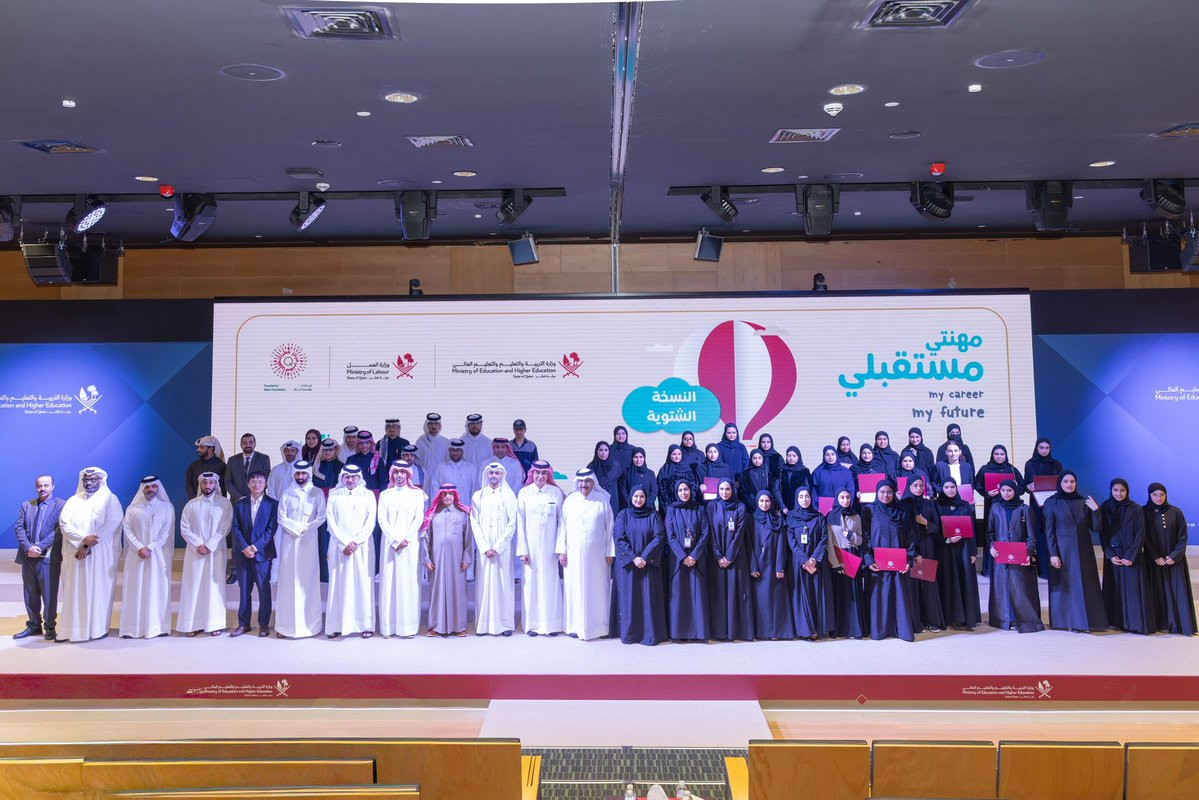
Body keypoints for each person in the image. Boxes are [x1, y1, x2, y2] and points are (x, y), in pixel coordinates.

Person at [57, 467, 123, 642]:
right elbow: (64, 524)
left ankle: (97, 629)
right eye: (85, 480)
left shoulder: (110, 499)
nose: (88, 483)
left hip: (99, 553)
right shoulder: (73, 500)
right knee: (75, 589)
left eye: (92, 479)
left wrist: (87, 544)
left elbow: (113, 523)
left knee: (98, 589)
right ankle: (73, 630)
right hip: (75, 552)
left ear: (100, 480)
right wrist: (82, 541)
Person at [1044, 471, 1108, 633]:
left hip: (1084, 550)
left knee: (1086, 585)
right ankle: (1068, 621)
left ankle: (1088, 621)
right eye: (1066, 481)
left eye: (1072, 481)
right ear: (1060, 483)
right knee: (1067, 586)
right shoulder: (1052, 502)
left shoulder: (1084, 502)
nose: (1069, 484)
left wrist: (1096, 510)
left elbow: (1096, 528)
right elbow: (1049, 531)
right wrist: (1053, 554)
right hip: (1063, 551)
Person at [556, 469, 615, 640]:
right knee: (575, 589)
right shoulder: (569, 501)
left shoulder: (603, 500)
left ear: (593, 482)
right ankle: (575, 626)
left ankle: (600, 628)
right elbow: (562, 527)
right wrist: (561, 551)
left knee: (598, 590)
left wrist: (610, 552)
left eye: (587, 481)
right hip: (573, 555)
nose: (584, 485)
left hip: (598, 556)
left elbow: (610, 528)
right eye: (581, 482)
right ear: (576, 483)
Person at [117, 476, 174, 639]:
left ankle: (157, 627)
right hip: (136, 556)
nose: (150, 490)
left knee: (157, 589)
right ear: (142, 489)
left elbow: (166, 531)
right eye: (147, 487)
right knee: (135, 588)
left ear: (158, 488)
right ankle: (132, 628)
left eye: (153, 487)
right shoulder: (133, 508)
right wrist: (139, 547)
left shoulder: (167, 507)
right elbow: (127, 529)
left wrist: (150, 547)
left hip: (158, 555)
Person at [275, 460, 326, 639]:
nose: (300, 476)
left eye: (304, 473)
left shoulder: (317, 493)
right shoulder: (287, 493)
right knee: (288, 583)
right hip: (289, 542)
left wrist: (306, 528)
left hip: (309, 542)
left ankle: (310, 626)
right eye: (297, 473)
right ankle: (285, 627)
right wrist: (296, 529)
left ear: (309, 474)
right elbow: (281, 517)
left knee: (308, 582)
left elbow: (321, 516)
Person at [325, 464, 377, 638]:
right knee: (338, 585)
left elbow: (370, 522)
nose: (350, 480)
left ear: (359, 478)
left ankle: (365, 625)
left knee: (363, 585)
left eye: (354, 477)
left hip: (362, 547)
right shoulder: (334, 495)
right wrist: (345, 543)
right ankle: (336, 625)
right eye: (347, 477)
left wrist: (355, 542)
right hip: (339, 547)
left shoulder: (368, 495)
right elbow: (331, 522)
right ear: (342, 478)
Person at [177, 472, 232, 636]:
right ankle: (192, 625)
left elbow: (225, 527)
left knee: (214, 587)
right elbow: (184, 528)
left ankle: (214, 624)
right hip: (194, 553)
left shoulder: (225, 504)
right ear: (200, 485)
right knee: (194, 586)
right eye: (204, 483)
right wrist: (198, 545)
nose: (207, 486)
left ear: (216, 484)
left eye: (211, 483)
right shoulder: (191, 505)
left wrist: (209, 545)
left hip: (216, 552)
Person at [986, 479, 1044, 633]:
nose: (1006, 493)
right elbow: (990, 532)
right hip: (1000, 556)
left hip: (1020, 556)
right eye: (1003, 490)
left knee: (1020, 588)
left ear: (1015, 491)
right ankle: (1004, 619)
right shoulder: (995, 508)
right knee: (1002, 587)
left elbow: (1032, 536)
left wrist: (1028, 553)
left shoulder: (1025, 509)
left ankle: (1023, 620)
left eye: (1009, 490)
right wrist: (991, 547)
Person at [862, 480, 916, 642]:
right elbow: (865, 537)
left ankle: (901, 630)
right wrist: (869, 559)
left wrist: (908, 560)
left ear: (894, 493)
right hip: (877, 565)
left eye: (889, 492)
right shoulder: (869, 510)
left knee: (899, 595)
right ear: (877, 493)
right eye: (882, 492)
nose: (885, 495)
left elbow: (910, 539)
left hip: (898, 564)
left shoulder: (902, 513)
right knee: (880, 596)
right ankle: (879, 630)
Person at [13, 474, 65, 641]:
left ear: (53, 486)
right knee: (30, 593)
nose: (42, 488)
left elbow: (59, 530)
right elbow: (19, 528)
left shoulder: (61, 505)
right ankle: (34, 626)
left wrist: (40, 547)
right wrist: (29, 547)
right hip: (28, 556)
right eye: (39, 485)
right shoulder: (27, 505)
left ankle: (50, 627)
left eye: (46, 485)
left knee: (49, 594)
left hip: (48, 558)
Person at [614, 485, 668, 645]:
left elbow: (659, 536)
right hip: (629, 566)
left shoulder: (653, 515)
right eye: (636, 496)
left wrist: (645, 557)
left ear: (646, 498)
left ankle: (649, 634)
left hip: (648, 564)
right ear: (631, 497)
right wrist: (633, 558)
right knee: (630, 599)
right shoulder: (623, 515)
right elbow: (619, 538)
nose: (638, 499)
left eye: (642, 497)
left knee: (648, 598)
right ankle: (631, 634)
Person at [377, 463, 426, 638]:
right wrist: (395, 539)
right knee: (389, 582)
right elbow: (381, 519)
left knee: (408, 583)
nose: (399, 475)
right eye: (396, 472)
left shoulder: (417, 494)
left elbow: (419, 517)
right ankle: (388, 627)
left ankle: (408, 627)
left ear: (408, 475)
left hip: (409, 544)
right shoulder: (385, 495)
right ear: (392, 475)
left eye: (402, 472)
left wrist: (406, 538)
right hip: (390, 544)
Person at [517, 461, 565, 636]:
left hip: (550, 549)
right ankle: (532, 625)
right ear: (532, 474)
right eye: (537, 473)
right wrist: (522, 550)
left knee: (551, 584)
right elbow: (520, 523)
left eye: (544, 473)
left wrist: (560, 548)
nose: (540, 476)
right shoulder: (524, 493)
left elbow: (562, 523)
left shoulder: (556, 493)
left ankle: (552, 625)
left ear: (548, 475)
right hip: (531, 549)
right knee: (531, 585)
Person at [1099, 478, 1153, 635]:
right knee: (1115, 589)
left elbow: (1141, 533)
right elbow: (1102, 533)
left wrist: (1131, 555)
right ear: (1111, 491)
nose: (1119, 493)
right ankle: (1116, 622)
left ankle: (1135, 624)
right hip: (1114, 557)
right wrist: (1110, 554)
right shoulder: (1105, 507)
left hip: (1131, 557)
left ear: (1127, 491)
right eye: (1115, 490)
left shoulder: (1136, 509)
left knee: (1133, 590)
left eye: (1122, 490)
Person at [472, 462, 519, 636]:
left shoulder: (509, 496)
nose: (493, 476)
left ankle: (505, 625)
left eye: (497, 473)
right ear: (486, 475)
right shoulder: (478, 496)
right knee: (483, 586)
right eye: (490, 473)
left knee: (503, 585)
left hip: (502, 549)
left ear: (502, 476)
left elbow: (512, 524)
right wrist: (485, 547)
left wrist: (498, 547)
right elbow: (474, 523)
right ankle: (483, 625)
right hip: (484, 549)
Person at [1143, 483, 1196, 635]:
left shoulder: (1176, 512)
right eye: (1155, 494)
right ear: (1150, 495)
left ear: (1166, 495)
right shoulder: (1144, 512)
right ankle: (1160, 624)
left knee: (1176, 591)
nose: (1158, 498)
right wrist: (1155, 556)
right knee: (1157, 591)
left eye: (1162, 494)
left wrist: (1174, 556)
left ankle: (1179, 625)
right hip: (1154, 560)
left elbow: (1182, 537)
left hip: (1174, 561)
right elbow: (1143, 537)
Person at [230, 469, 278, 637]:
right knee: (244, 590)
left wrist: (255, 547)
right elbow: (235, 528)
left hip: (262, 554)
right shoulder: (240, 504)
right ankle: (244, 624)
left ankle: (264, 624)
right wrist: (245, 547)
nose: (257, 484)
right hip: (242, 554)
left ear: (265, 484)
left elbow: (271, 529)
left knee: (264, 590)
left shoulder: (272, 504)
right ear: (248, 484)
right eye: (253, 481)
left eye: (260, 481)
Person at [422, 484, 474, 636]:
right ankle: (435, 626)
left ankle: (459, 626)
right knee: (437, 592)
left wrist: (466, 558)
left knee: (458, 592)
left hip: (457, 560)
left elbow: (468, 539)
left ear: (455, 495)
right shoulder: (432, 514)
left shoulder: (462, 514)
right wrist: (427, 559)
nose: (448, 497)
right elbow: (425, 538)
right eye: (444, 494)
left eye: (451, 494)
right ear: (440, 496)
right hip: (437, 560)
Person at [707, 479, 754, 642]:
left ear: (733, 490)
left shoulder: (740, 506)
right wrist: (718, 555)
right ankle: (720, 632)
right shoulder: (712, 506)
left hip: (736, 557)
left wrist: (729, 556)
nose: (724, 492)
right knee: (719, 593)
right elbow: (710, 531)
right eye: (721, 489)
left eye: (727, 489)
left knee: (736, 592)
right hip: (717, 558)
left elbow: (740, 533)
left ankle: (735, 631)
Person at [664, 479, 710, 642]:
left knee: (697, 593)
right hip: (678, 559)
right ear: (676, 492)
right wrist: (683, 556)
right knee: (680, 594)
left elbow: (705, 533)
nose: (683, 493)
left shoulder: (700, 509)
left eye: (686, 489)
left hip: (697, 558)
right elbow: (670, 535)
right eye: (680, 490)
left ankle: (698, 632)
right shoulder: (671, 509)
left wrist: (694, 555)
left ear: (691, 491)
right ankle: (679, 633)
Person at [932, 478, 981, 630]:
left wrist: (973, 552)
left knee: (965, 580)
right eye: (946, 487)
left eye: (952, 487)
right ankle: (951, 617)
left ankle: (967, 618)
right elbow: (934, 529)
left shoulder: (965, 505)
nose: (950, 490)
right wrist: (947, 539)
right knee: (949, 581)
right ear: (942, 489)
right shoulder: (937, 505)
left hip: (964, 549)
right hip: (946, 550)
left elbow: (972, 529)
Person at [786, 487, 834, 640]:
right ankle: (805, 629)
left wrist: (813, 558)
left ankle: (817, 628)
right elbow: (791, 541)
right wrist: (804, 559)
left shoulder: (819, 517)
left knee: (816, 593)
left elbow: (824, 538)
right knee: (802, 594)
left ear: (811, 498)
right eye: (801, 497)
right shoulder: (791, 518)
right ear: (796, 499)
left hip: (816, 562)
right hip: (799, 562)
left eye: (807, 496)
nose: (804, 500)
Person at [973, 445, 1024, 576]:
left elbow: (1022, 488)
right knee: (991, 533)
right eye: (996, 454)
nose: (999, 456)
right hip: (992, 505)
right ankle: (989, 569)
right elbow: (976, 484)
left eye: (1002, 454)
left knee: (1007, 534)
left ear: (1006, 455)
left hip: (1010, 508)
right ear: (992, 455)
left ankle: (1009, 566)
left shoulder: (1012, 469)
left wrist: (1013, 490)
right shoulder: (985, 469)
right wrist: (987, 493)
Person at [901, 476, 943, 632]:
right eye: (915, 485)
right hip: (909, 549)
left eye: (921, 485)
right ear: (909, 486)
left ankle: (931, 621)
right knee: (912, 587)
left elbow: (937, 528)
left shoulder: (929, 504)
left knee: (928, 584)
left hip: (926, 548)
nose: (918, 488)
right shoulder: (902, 505)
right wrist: (912, 552)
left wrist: (926, 523)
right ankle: (915, 622)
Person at [748, 490, 792, 640]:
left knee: (774, 600)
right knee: (760, 600)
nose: (764, 504)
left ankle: (775, 632)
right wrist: (752, 566)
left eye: (767, 501)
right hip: (758, 566)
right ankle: (760, 632)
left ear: (771, 502)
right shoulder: (751, 520)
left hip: (773, 565)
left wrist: (780, 567)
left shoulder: (778, 521)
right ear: (757, 502)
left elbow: (781, 545)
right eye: (761, 501)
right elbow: (748, 545)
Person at [827, 488, 866, 639]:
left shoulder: (856, 516)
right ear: (837, 499)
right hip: (837, 556)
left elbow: (861, 539)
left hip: (852, 556)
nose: (845, 500)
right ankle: (839, 629)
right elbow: (829, 542)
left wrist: (851, 535)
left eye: (848, 497)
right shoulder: (831, 516)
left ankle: (855, 629)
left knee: (853, 593)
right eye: (842, 497)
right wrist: (835, 563)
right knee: (840, 593)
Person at [1023, 438, 1063, 581]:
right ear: (1037, 448)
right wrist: (1028, 487)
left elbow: (1062, 483)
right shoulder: (1030, 463)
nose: (1044, 450)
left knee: (1053, 532)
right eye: (1041, 447)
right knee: (1039, 534)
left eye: (1047, 448)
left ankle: (1056, 567)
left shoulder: (1056, 464)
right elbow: (1025, 485)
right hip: (1037, 505)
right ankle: (1042, 569)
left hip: (1053, 504)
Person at [312, 437, 342, 584]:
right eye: (325, 450)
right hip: (320, 507)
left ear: (335, 450)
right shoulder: (317, 467)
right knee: (322, 541)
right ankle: (324, 575)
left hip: (337, 507)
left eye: (331, 450)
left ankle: (336, 574)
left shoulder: (342, 466)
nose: (328, 453)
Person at [227, 432, 271, 504]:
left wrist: (252, 497)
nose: (247, 445)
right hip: (237, 501)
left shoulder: (264, 459)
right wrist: (239, 497)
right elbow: (228, 482)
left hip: (257, 501)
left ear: (255, 444)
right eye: (244, 443)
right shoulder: (232, 460)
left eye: (250, 442)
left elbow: (266, 480)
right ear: (241, 445)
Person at [657, 445, 699, 515]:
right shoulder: (664, 470)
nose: (677, 456)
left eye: (679, 454)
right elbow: (661, 492)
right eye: (674, 454)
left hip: (687, 507)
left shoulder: (687, 469)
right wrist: (668, 509)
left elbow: (693, 488)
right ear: (669, 455)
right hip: (670, 507)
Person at [773, 447, 811, 516]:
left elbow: (808, 490)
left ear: (798, 457)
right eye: (789, 455)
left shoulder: (804, 471)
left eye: (794, 456)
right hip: (784, 507)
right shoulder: (781, 470)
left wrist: (803, 506)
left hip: (800, 507)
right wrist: (782, 506)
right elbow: (776, 490)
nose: (791, 458)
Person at [618, 447, 658, 512]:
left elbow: (654, 491)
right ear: (632, 458)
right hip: (631, 509)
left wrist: (646, 504)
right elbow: (623, 490)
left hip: (648, 509)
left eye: (641, 457)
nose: (638, 460)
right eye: (636, 457)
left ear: (644, 458)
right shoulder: (626, 472)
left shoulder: (650, 473)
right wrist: (631, 504)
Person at [587, 441, 623, 512]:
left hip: (613, 500)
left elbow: (620, 483)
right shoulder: (591, 466)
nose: (603, 453)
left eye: (606, 450)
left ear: (609, 451)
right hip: (597, 500)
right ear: (596, 451)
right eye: (601, 450)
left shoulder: (615, 465)